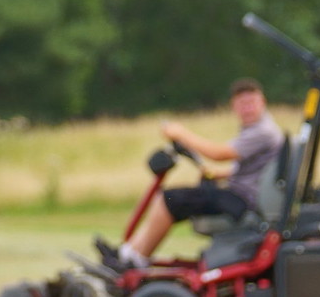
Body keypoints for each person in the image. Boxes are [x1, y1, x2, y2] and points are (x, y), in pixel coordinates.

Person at [111, 78, 286, 269]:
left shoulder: (263, 131)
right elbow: (252, 168)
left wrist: (181, 134)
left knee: (169, 199)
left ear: (263, 103)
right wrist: (218, 174)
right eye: (242, 104)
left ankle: (135, 259)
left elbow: (220, 153)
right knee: (175, 197)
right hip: (242, 195)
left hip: (243, 201)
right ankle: (128, 252)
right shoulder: (258, 129)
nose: (247, 109)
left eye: (251, 103)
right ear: (234, 106)